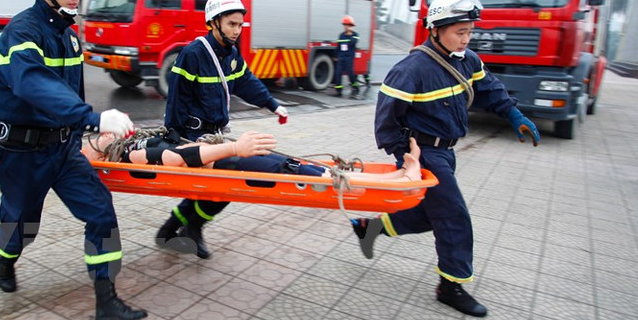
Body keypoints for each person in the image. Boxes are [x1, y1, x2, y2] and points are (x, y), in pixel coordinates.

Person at [0, 0, 147, 320]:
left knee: (101, 212)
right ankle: (4, 259)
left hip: (62, 151)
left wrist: (81, 132)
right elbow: (33, 85)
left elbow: (70, 92)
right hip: (20, 153)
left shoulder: (70, 35)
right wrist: (91, 117)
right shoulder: (21, 33)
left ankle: (107, 300)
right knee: (22, 225)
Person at [353, 0, 540, 317]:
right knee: (454, 217)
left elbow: (489, 89)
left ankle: (371, 229)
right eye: (459, 32)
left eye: (469, 32)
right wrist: (405, 156)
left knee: (431, 214)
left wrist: (514, 115)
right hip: (423, 154)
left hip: (447, 152)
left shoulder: (466, 61)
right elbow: (386, 121)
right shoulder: (411, 69)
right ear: (436, 29)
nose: (466, 39)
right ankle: (450, 286)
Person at [156, 0, 289, 259]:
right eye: (231, 24)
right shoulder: (193, 54)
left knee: (219, 183)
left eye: (240, 25)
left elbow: (246, 82)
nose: (237, 30)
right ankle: (190, 227)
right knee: (228, 177)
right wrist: (175, 135)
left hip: (212, 135)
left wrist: (272, 104)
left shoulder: (231, 54)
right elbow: (176, 98)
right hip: (191, 135)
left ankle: (172, 229)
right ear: (213, 22)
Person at [84, 128, 422, 183]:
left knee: (293, 164)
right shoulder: (128, 155)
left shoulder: (129, 143)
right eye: (94, 138)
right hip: (226, 161)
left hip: (224, 155)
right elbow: (173, 159)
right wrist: (234, 148)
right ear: (95, 152)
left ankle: (389, 176)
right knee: (296, 171)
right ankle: (390, 179)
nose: (103, 132)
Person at [332, 15, 359, 98]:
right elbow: (338, 46)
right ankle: (338, 90)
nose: (346, 27)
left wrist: (349, 37)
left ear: (351, 26)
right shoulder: (341, 35)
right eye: (345, 25)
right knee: (338, 73)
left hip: (349, 57)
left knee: (350, 73)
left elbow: (353, 43)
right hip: (341, 56)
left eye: (347, 25)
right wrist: (335, 56)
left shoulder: (355, 35)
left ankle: (355, 85)